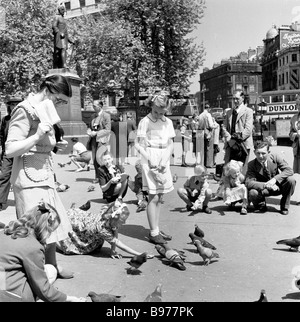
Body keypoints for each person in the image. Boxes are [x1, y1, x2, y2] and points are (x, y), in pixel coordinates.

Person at [5, 74, 74, 279]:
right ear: (48, 89)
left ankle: (52, 265)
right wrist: (36, 137)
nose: (60, 105)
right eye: (59, 100)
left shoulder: (44, 109)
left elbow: (40, 144)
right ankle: (35, 275)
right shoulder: (24, 110)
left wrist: (54, 147)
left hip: (44, 174)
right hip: (28, 178)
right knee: (33, 229)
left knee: (50, 223)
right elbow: (10, 149)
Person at [0, 201, 86, 302]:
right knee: (50, 271)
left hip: (3, 282)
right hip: (10, 296)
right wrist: (69, 299)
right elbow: (41, 287)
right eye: (50, 231)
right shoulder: (32, 246)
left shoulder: (5, 233)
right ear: (45, 226)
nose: (49, 235)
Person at [135, 93, 175, 245]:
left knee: (160, 196)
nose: (158, 115)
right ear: (151, 106)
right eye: (156, 111)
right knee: (153, 196)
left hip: (163, 157)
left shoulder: (168, 122)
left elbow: (171, 143)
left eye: (162, 112)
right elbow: (138, 144)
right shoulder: (145, 121)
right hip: (150, 156)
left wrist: (165, 160)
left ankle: (156, 228)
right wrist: (150, 158)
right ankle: (153, 232)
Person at [56, 200, 153, 259]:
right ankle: (53, 242)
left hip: (82, 221)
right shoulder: (103, 229)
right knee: (72, 248)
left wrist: (113, 251)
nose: (125, 223)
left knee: (96, 242)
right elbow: (117, 242)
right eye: (122, 221)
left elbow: (114, 235)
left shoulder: (108, 218)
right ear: (115, 219)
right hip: (77, 226)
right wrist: (139, 254)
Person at [245, 141, 296, 215]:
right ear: (254, 152)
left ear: (268, 152)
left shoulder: (275, 157)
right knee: (252, 193)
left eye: (263, 153)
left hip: (277, 187)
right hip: (263, 190)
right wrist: (266, 185)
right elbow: (249, 182)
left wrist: (274, 180)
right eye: (258, 153)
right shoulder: (251, 164)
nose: (260, 156)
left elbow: (289, 170)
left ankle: (284, 206)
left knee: (291, 180)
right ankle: (261, 205)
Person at [0, 96, 23, 211]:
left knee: (22, 177)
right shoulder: (6, 119)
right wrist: (2, 150)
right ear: (9, 106)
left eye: (16, 104)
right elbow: (1, 136)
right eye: (12, 104)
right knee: (4, 175)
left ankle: (25, 202)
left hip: (21, 152)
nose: (14, 106)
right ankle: (1, 202)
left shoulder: (25, 118)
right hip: (8, 153)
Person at [222, 91, 253, 173]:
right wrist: (228, 138)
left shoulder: (248, 111)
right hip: (230, 143)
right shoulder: (229, 112)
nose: (235, 101)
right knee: (229, 167)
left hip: (243, 144)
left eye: (237, 99)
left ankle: (241, 184)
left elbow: (248, 129)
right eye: (234, 99)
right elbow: (224, 127)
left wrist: (237, 139)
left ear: (242, 98)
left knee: (242, 168)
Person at [87, 100, 111, 184]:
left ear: (100, 106)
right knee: (94, 159)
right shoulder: (93, 116)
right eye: (93, 106)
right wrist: (89, 131)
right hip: (93, 140)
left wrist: (96, 133)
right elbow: (89, 126)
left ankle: (106, 175)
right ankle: (97, 177)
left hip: (102, 140)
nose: (93, 107)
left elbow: (108, 130)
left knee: (100, 158)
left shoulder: (106, 115)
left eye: (94, 106)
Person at [52, 2, 75, 69]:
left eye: (64, 10)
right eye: (62, 10)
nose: (64, 12)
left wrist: (70, 41)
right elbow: (54, 26)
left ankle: (63, 65)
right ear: (59, 10)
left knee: (63, 50)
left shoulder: (63, 20)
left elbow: (66, 32)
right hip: (59, 37)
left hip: (64, 38)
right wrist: (59, 33)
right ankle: (62, 65)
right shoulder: (57, 17)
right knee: (61, 50)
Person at [289, 97, 300, 175]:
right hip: (297, 150)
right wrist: (295, 135)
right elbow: (290, 134)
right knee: (297, 173)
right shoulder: (294, 118)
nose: (298, 106)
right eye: (297, 104)